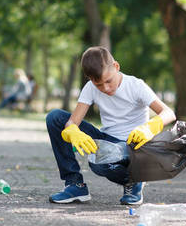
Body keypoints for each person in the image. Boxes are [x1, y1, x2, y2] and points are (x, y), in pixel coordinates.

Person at [46, 46, 176, 205]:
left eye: (108, 81)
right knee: (55, 118)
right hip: (109, 140)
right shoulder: (91, 88)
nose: (106, 88)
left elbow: (168, 113)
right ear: (90, 79)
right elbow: (72, 122)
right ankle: (75, 185)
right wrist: (72, 131)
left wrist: (150, 127)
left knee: (101, 164)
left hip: (135, 146)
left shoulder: (135, 85)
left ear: (116, 66)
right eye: (99, 84)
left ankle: (134, 180)